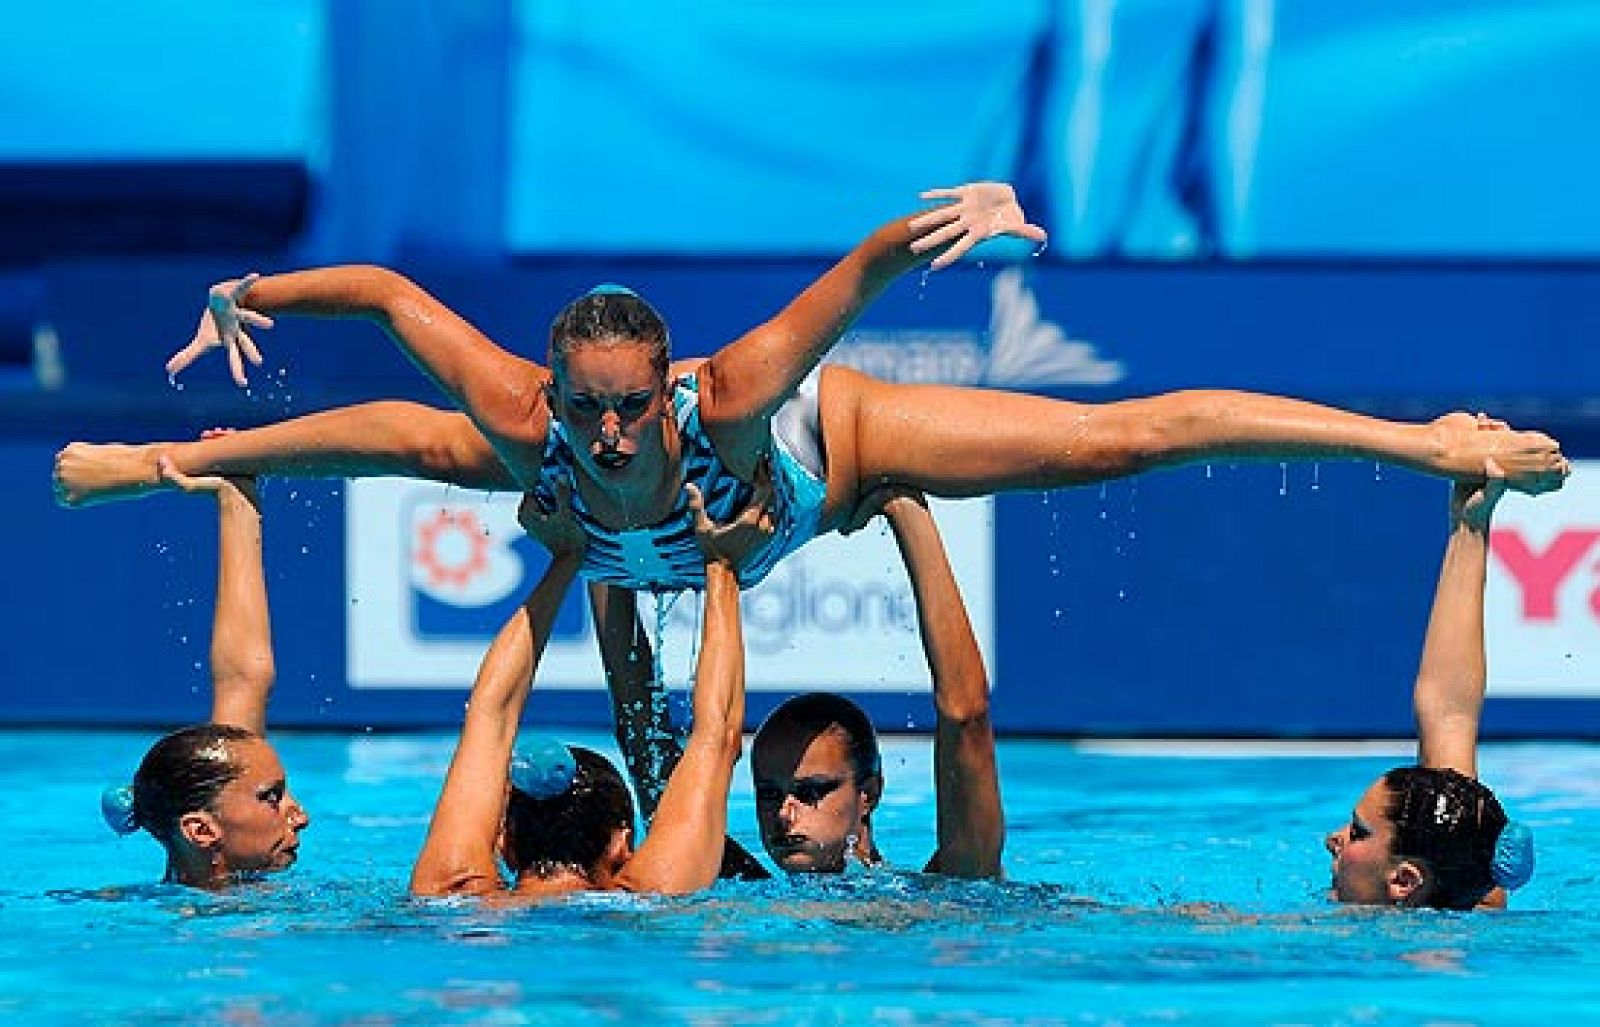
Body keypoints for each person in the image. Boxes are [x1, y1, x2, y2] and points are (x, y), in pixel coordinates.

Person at [55, 184, 1567, 594]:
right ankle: (167, 458)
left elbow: (862, 274)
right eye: (586, 408)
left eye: (628, 404)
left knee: (1119, 440)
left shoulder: (733, 394)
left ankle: (1427, 438)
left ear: (670, 384)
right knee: (410, 447)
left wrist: (959, 203)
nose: (608, 429)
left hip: (824, 466)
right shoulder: (536, 426)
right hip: (630, 562)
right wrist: (241, 292)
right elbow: (385, 304)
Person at [599, 487, 1001, 878]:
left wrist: (904, 509)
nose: (784, 816)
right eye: (769, 794)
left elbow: (965, 715)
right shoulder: (741, 885)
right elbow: (645, 743)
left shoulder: (941, 894)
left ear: (870, 794)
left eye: (811, 792)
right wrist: (600, 536)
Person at [408, 481, 748, 901]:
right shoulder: (651, 899)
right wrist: (720, 560)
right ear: (622, 845)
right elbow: (717, 735)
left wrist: (567, 557)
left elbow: (490, 714)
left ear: (505, 845)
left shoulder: (453, 892)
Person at [1324, 441, 1536, 910]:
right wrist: (1470, 525)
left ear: (1403, 881)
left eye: (1358, 833)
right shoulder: (1473, 887)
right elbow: (1449, 711)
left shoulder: (1345, 942)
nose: (1331, 839)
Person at [101, 451, 311, 889]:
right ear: (201, 831)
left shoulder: (230, 787)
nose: (301, 815)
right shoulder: (158, 937)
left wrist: (237, 495)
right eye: (271, 798)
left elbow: (244, 675)